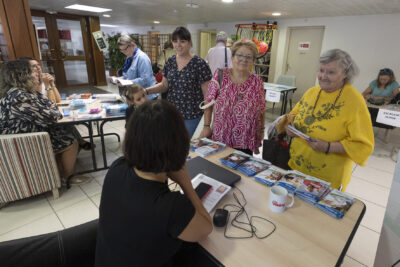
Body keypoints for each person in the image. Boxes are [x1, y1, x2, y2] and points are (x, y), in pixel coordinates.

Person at [95, 100, 213, 266]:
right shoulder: (172, 207)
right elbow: (206, 228)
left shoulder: (117, 168)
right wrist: (185, 182)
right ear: (179, 144)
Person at [286, 49, 374, 191]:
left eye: (331, 72)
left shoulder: (355, 101)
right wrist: (289, 127)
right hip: (297, 166)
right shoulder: (312, 92)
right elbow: (293, 116)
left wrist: (328, 147)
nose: (323, 76)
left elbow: (363, 145)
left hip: (327, 177)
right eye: (321, 70)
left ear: (345, 73)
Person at [0, 60, 79, 184]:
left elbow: (52, 104)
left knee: (65, 130)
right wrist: (52, 109)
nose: (37, 73)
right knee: (70, 141)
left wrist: (51, 108)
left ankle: (57, 173)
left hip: (25, 135)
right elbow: (53, 116)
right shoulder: (20, 96)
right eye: (32, 71)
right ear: (21, 75)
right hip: (21, 141)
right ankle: (68, 177)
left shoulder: (24, 92)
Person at [199, 39, 266, 155]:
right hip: (221, 136)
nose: (243, 59)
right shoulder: (220, 75)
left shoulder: (257, 81)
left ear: (253, 61)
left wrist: (262, 130)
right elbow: (208, 101)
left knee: (240, 171)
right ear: (232, 57)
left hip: (245, 138)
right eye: (239, 55)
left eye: (249, 57)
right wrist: (206, 126)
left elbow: (261, 108)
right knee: (218, 169)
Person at [146, 26, 212, 137]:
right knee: (173, 147)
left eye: (182, 41)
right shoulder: (171, 61)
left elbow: (208, 97)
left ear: (190, 43)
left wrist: (206, 125)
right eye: (175, 41)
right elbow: (164, 85)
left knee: (188, 149)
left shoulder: (199, 64)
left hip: (192, 117)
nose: (178, 45)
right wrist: (145, 91)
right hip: (171, 115)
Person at [20, 57, 93, 151]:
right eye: (34, 66)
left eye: (38, 65)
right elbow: (51, 102)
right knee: (64, 122)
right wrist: (47, 85)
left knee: (67, 121)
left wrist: (52, 83)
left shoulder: (43, 78)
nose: (38, 68)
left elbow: (57, 99)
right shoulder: (30, 85)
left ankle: (78, 142)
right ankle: (77, 142)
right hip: (40, 123)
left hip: (48, 113)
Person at [112, 34, 158, 100]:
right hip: (135, 96)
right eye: (121, 50)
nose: (123, 52)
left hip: (146, 97)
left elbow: (145, 79)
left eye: (125, 49)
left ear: (132, 45)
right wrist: (118, 79)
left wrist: (127, 82)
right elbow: (127, 76)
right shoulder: (129, 57)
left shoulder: (142, 58)